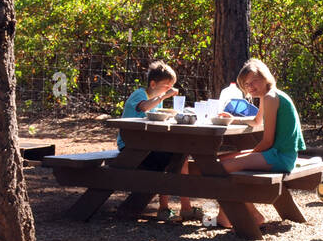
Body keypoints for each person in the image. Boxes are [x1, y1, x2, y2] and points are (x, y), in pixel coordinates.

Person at [212, 58, 305, 230]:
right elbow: (256, 121)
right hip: (278, 153)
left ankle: (251, 215)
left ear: (265, 77)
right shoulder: (267, 96)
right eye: (246, 84)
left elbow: (268, 141)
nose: (251, 86)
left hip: (281, 156)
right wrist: (232, 120)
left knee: (222, 168)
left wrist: (248, 155)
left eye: (254, 80)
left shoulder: (270, 97)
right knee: (222, 160)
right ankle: (224, 216)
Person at [118, 60, 200, 222]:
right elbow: (143, 108)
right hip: (131, 147)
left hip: (149, 145)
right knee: (176, 159)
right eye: (166, 86)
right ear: (153, 83)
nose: (169, 90)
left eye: (171, 87)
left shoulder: (158, 98)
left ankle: (185, 206)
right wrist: (163, 95)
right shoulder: (140, 94)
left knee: (181, 155)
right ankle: (165, 208)